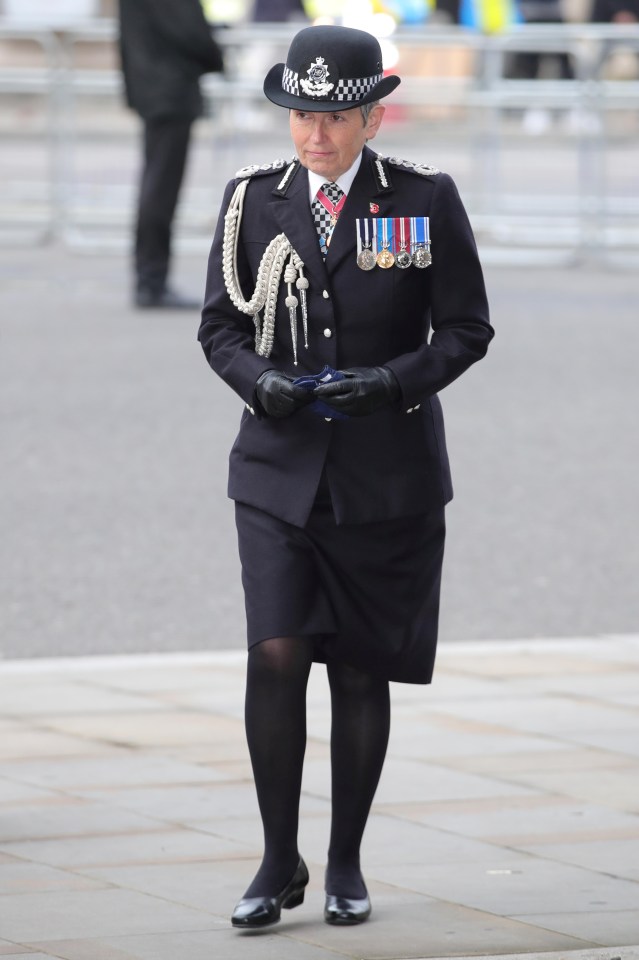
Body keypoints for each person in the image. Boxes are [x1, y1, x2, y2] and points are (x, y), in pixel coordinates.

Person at [198, 25, 494, 928]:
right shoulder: (250, 203)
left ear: (371, 114)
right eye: (299, 115)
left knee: (360, 670)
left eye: (333, 116)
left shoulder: (422, 198)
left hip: (385, 475)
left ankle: (343, 863)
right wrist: (262, 382)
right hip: (278, 471)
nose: (314, 134)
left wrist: (396, 380)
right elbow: (220, 329)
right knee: (275, 652)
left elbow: (465, 329)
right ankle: (276, 857)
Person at [118, 0, 224, 309]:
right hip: (168, 87)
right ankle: (151, 281)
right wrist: (215, 56)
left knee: (157, 185)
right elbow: (187, 29)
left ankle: (150, 279)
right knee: (160, 188)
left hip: (155, 84)